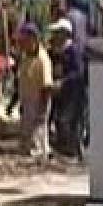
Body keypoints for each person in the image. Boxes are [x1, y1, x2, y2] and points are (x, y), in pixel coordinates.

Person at [47, 18, 85, 159]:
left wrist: (63, 82)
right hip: (59, 92)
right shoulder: (53, 51)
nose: (54, 35)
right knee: (57, 119)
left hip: (73, 93)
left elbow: (78, 72)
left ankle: (73, 152)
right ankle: (63, 149)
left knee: (67, 121)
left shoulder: (73, 51)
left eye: (57, 32)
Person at [15, 22, 53, 160]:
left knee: (38, 129)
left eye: (25, 40)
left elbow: (47, 85)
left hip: (39, 99)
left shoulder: (43, 59)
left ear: (34, 39)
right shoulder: (26, 57)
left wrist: (43, 107)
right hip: (27, 99)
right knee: (26, 127)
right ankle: (27, 151)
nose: (22, 44)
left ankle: (39, 154)